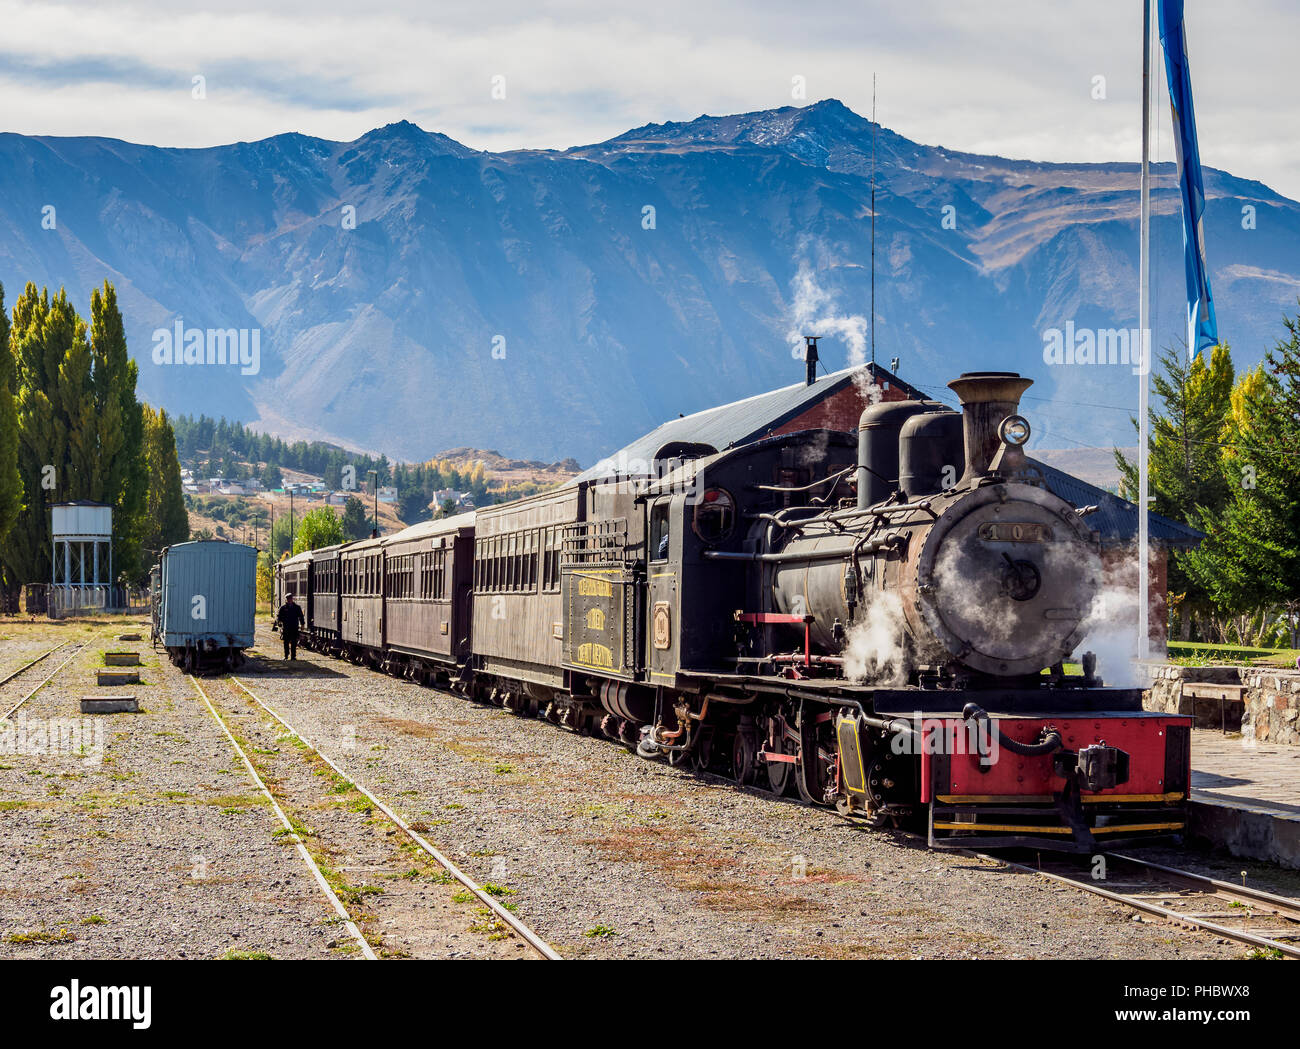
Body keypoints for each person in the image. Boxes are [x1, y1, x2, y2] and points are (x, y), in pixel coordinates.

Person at [274, 592, 305, 661]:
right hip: (286, 628)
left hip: (294, 627)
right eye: (288, 599)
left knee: (294, 643)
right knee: (286, 643)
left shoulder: (297, 607)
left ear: (292, 599)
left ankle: (293, 656)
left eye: (290, 599)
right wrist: (279, 622)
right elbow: (279, 616)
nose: (289, 600)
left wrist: (302, 624)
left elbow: (301, 616)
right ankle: (286, 656)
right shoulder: (283, 608)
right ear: (286, 600)